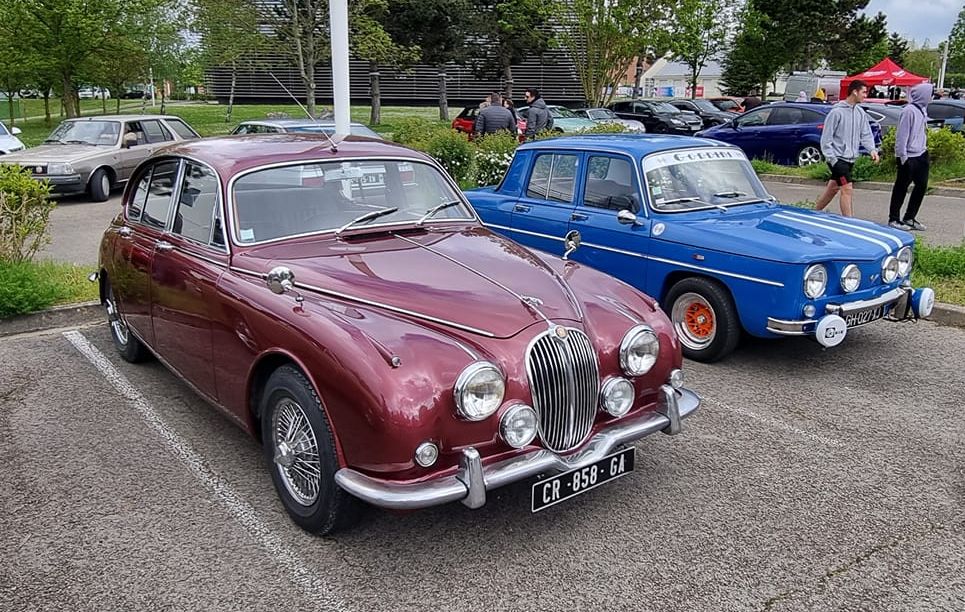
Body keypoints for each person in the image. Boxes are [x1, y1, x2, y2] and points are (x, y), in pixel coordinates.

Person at [814, 79, 879, 217]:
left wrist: (872, 150)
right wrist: (832, 160)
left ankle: (813, 213)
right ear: (854, 92)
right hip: (838, 159)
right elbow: (826, 139)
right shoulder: (836, 112)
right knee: (847, 188)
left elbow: (865, 134)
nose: (865, 95)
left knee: (833, 188)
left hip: (850, 158)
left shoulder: (860, 112)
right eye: (863, 92)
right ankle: (848, 222)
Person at [888, 82, 933, 230]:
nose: (931, 97)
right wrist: (903, 156)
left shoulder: (922, 110)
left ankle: (909, 217)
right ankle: (894, 218)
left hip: (921, 154)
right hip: (908, 156)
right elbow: (902, 136)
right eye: (930, 94)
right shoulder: (909, 111)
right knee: (901, 187)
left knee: (921, 186)